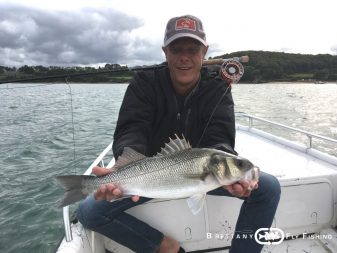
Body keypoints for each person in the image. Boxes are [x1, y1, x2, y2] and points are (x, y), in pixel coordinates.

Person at [76, 15, 281, 253]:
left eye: (192, 49)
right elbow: (132, 129)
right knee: (89, 212)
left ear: (204, 52)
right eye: (177, 49)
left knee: (268, 188)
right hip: (148, 177)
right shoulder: (144, 83)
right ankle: (164, 246)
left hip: (204, 173)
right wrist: (123, 165)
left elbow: (220, 138)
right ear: (165, 52)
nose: (184, 57)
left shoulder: (218, 89)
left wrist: (234, 172)